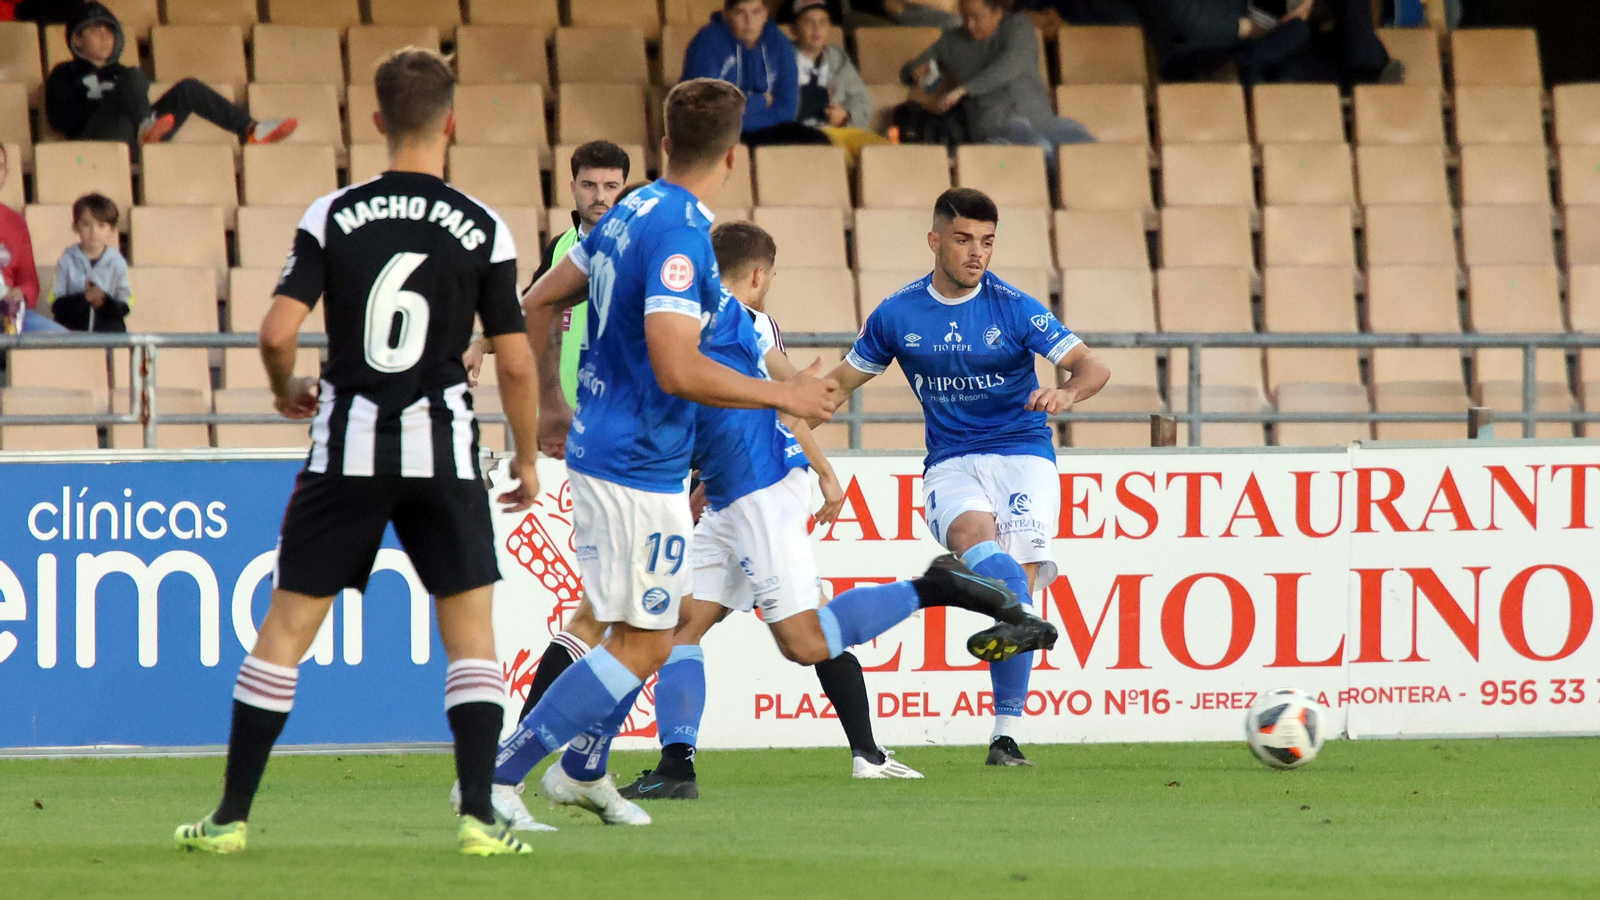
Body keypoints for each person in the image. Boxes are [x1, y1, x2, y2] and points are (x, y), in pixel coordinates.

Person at [172, 47, 542, 857]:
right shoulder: (483, 224)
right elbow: (514, 360)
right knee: (471, 634)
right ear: (453, 120)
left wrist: (282, 390)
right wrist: (525, 457)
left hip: (346, 451)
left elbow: (276, 330)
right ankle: (479, 815)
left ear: (374, 121)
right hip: (443, 452)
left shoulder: (332, 214)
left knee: (286, 630)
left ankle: (230, 818)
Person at [617, 221, 966, 800]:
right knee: (682, 626)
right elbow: (785, 400)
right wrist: (822, 471)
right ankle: (678, 767)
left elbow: (777, 402)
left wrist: (818, 469)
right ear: (759, 276)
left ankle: (936, 590)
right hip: (738, 490)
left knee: (806, 636)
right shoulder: (747, 319)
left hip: (761, 485)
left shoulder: (698, 319)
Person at [821, 188, 1112, 767]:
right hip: (951, 458)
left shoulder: (1015, 306)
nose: (976, 253)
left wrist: (1067, 390)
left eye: (986, 242)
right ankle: (1023, 619)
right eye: (963, 240)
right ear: (935, 241)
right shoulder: (898, 313)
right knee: (971, 543)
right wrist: (784, 410)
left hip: (1023, 449)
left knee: (1015, 589)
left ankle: (1004, 738)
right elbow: (838, 385)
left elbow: (1092, 365)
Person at [46, 2, 297, 149]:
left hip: (135, 140)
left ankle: (251, 129)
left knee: (187, 88)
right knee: (133, 76)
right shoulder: (64, 73)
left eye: (108, 31)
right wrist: (107, 105)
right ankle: (146, 126)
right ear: (77, 38)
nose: (104, 36)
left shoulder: (121, 73)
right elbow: (59, 119)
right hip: (96, 141)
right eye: (95, 30)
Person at [901, 0, 1093, 159]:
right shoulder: (951, 41)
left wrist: (964, 89)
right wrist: (914, 71)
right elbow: (908, 70)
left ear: (997, 12)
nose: (969, 25)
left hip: (1042, 121)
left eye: (976, 17)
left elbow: (1010, 65)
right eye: (965, 17)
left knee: (1085, 145)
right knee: (1040, 151)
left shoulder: (1019, 26)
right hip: (995, 128)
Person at [1136, 0, 1401, 85]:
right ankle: (1369, 72)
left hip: (1255, 50)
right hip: (1198, 56)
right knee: (1296, 35)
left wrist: (1306, 4)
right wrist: (1254, 28)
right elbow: (1190, 21)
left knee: (1298, 38)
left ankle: (1366, 69)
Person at [681, 0, 828, 146]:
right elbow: (707, 109)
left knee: (819, 143)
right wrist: (762, 101)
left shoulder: (779, 42)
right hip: (715, 131)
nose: (749, 21)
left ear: (765, 13)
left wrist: (740, 107)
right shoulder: (707, 43)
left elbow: (788, 108)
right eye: (741, 12)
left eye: (756, 12)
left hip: (765, 127)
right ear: (727, 15)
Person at [791, 0, 887, 162]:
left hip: (840, 130)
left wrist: (846, 117)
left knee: (884, 152)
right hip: (803, 134)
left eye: (822, 22)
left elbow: (860, 99)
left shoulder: (838, 58)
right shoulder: (779, 59)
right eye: (808, 22)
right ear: (794, 29)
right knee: (842, 158)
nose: (816, 29)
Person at [0, 145, 65, 333]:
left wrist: (20, 294)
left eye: (0, 166)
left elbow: (30, 283)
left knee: (70, 345)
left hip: (7, 314)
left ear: (5, 174)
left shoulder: (15, 222)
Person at [48, 193, 130, 333]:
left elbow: (124, 305)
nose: (93, 232)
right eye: (86, 225)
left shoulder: (117, 263)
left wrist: (104, 301)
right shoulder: (66, 260)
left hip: (109, 335)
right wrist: (84, 299)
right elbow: (56, 304)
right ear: (75, 227)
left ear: (112, 230)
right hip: (72, 334)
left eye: (101, 225)